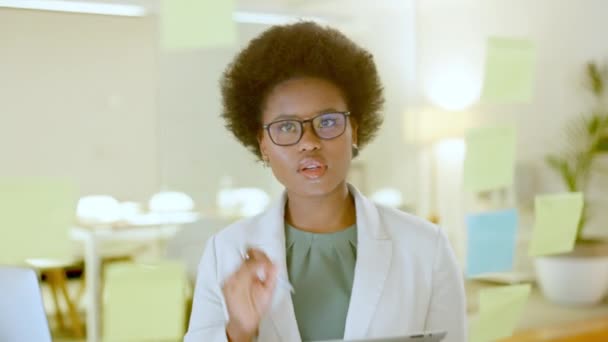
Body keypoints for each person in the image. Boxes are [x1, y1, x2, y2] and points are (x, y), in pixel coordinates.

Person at [184, 21, 466, 342]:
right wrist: (239, 331)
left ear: (354, 131)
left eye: (328, 121)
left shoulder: (426, 247)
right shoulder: (226, 252)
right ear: (263, 144)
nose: (309, 142)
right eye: (287, 127)